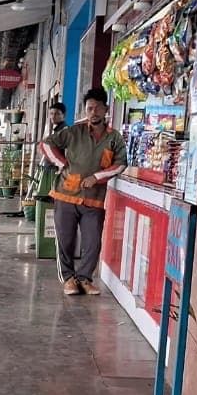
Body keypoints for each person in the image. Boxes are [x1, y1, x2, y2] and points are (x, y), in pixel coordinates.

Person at [40, 87, 128, 296]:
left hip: (94, 200)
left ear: (106, 109)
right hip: (65, 195)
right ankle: (68, 279)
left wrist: (96, 177)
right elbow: (45, 145)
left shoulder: (114, 138)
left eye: (97, 108)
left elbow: (120, 164)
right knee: (65, 241)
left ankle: (85, 278)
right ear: (85, 110)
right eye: (89, 108)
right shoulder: (74, 132)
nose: (93, 112)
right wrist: (61, 163)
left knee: (92, 242)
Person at [35, 102, 68, 212]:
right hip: (55, 169)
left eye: (57, 114)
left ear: (64, 115)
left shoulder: (64, 131)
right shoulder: (57, 130)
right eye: (51, 113)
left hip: (62, 169)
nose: (53, 116)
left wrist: (61, 165)